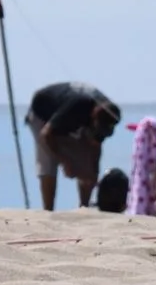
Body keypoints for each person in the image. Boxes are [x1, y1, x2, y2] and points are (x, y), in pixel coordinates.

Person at [25, 81, 122, 210]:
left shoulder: (108, 112)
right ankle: (48, 210)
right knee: (48, 161)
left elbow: (95, 145)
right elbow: (46, 134)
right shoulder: (77, 106)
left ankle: (83, 207)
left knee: (88, 165)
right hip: (42, 114)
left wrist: (94, 171)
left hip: (72, 118)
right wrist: (65, 162)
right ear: (93, 117)